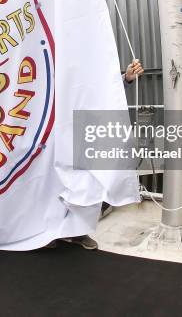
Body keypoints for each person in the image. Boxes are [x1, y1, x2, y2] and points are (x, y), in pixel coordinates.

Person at [62, 58, 145, 250]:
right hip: (60, 130)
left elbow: (102, 87)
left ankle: (79, 232)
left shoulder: (92, 53)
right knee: (57, 183)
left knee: (88, 181)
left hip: (85, 129)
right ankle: (51, 232)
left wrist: (126, 78)